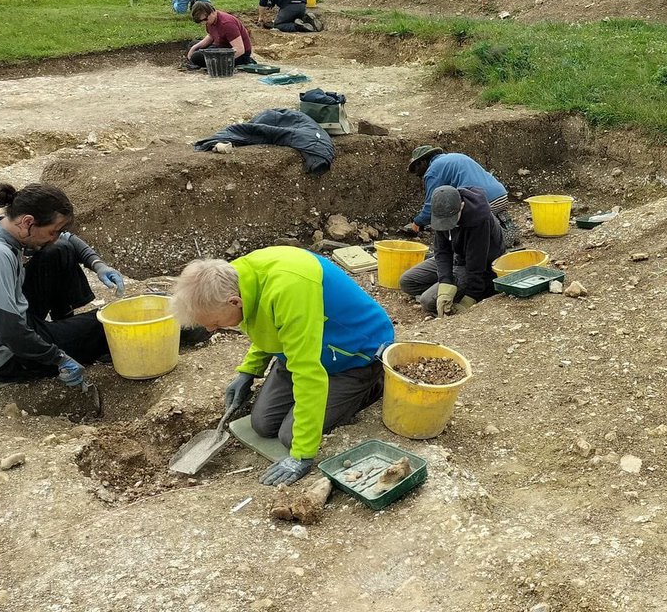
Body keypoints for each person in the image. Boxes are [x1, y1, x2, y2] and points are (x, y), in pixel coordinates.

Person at [171, 246, 394, 487]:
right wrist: (249, 371)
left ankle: (373, 383)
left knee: (291, 437)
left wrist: (302, 455)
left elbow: (308, 373)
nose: (211, 330)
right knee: (263, 424)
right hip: (300, 347)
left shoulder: (290, 289)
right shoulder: (236, 279)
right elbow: (265, 323)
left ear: (234, 301)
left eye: (213, 323)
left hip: (354, 353)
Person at [0, 183, 125, 387]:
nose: (55, 236)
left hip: (3, 329)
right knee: (108, 325)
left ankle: (63, 330)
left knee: (59, 249)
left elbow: (67, 239)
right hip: (0, 356)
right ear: (28, 222)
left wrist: (98, 265)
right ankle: (66, 339)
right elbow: (10, 332)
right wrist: (59, 358)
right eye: (53, 231)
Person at [400, 185, 505, 316]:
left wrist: (470, 297)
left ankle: (478, 290)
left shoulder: (479, 219)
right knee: (407, 281)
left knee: (427, 301)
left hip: (480, 266)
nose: (446, 225)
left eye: (450, 220)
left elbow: (476, 262)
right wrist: (445, 281)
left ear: (461, 206)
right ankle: (449, 288)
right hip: (457, 257)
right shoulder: (442, 210)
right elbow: (441, 251)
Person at [404, 145, 516, 245]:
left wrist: (417, 222)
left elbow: (432, 205)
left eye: (416, 169)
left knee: (459, 223)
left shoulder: (433, 170)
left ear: (422, 162)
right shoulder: (454, 157)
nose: (417, 174)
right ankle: (507, 229)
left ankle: (497, 240)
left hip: (483, 203)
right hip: (501, 195)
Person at [185, 1, 255, 69]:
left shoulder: (227, 24)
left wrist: (219, 59)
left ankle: (245, 61)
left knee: (196, 57)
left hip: (240, 55)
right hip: (222, 46)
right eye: (201, 21)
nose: (204, 22)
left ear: (212, 12)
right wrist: (194, 47)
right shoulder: (211, 20)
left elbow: (240, 50)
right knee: (192, 45)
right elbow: (211, 36)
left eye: (205, 19)